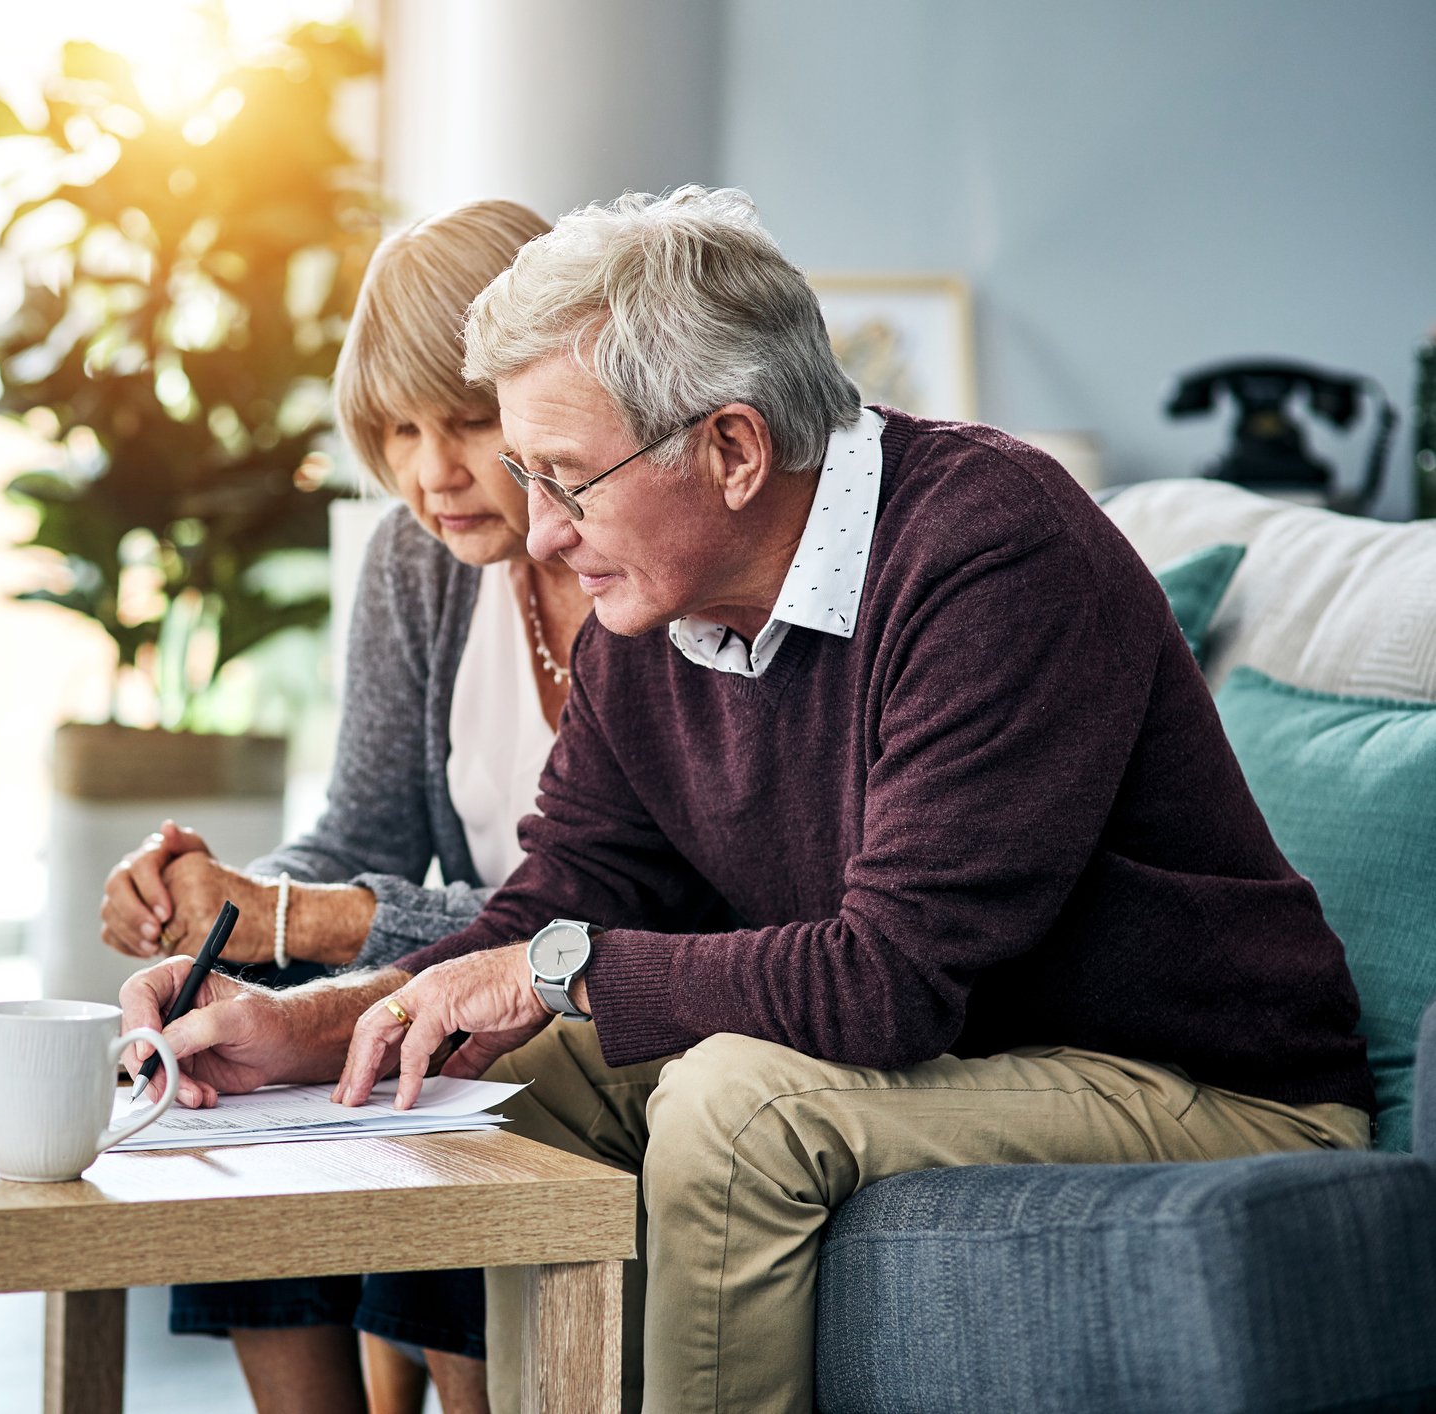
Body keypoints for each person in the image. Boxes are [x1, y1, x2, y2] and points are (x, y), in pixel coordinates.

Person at [116, 186, 1375, 1414]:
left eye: (566, 478)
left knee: (733, 1099)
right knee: (502, 1087)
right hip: (971, 1049)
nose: (542, 536)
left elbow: (891, 978)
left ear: (730, 447)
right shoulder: (647, 614)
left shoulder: (990, 548)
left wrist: (564, 971)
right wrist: (326, 1022)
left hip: (1203, 1082)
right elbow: (558, 897)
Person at [95, 199, 577, 1414]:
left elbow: (571, 910)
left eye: (469, 421)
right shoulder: (417, 563)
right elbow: (356, 840)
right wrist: (221, 906)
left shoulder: (640, 562)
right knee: (233, 1048)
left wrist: (301, 918)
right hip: (457, 973)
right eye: (397, 428)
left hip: (567, 986)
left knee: (436, 1074)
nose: (431, 472)